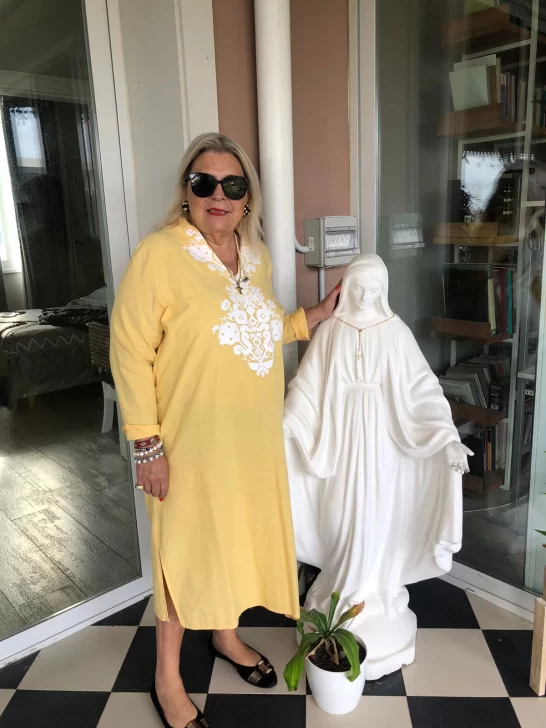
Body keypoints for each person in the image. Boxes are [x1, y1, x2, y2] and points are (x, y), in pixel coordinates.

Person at [110, 132, 339, 728]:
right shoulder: (159, 255)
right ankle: (167, 677)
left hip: (250, 440)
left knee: (231, 540)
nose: (218, 195)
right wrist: (147, 446)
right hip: (189, 444)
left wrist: (312, 318)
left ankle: (225, 636)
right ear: (186, 192)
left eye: (231, 184)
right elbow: (129, 352)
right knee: (182, 552)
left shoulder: (256, 256)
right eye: (204, 182)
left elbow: (258, 328)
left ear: (246, 197)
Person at [284, 253, 472, 679]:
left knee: (377, 515)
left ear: (383, 290)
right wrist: (289, 423)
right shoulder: (331, 331)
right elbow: (307, 387)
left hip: (383, 444)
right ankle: (338, 588)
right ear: (347, 287)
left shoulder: (395, 331)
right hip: (340, 441)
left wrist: (446, 438)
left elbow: (423, 388)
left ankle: (374, 592)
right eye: (360, 287)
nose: (367, 295)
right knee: (340, 515)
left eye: (374, 288)